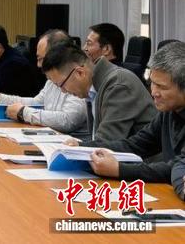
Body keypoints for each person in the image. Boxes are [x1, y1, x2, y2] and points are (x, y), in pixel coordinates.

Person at [78, 41, 185, 198]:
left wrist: (119, 169)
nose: (154, 92)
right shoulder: (168, 111)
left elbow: (175, 167)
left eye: (162, 87)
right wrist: (81, 147)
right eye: (152, 83)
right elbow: (135, 145)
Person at [0, 29, 88, 138]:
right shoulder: (51, 80)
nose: (38, 65)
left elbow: (68, 120)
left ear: (57, 56)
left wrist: (23, 113)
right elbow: (37, 102)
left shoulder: (75, 78)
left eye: (41, 59)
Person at [42, 41, 156, 142]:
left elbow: (107, 144)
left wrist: (79, 147)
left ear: (80, 73)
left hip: (142, 159)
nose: (63, 91)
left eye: (61, 85)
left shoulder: (117, 85)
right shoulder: (93, 88)